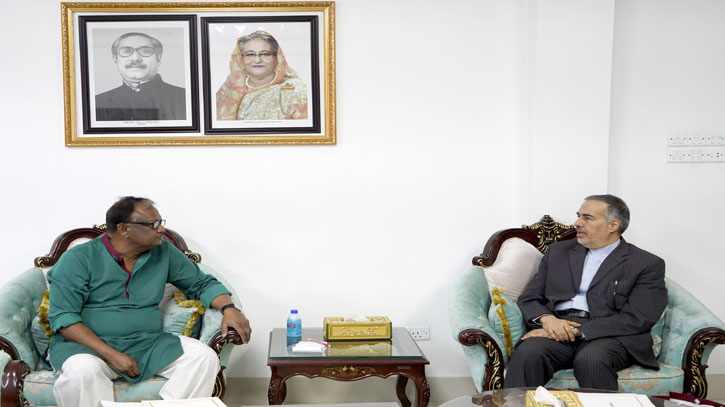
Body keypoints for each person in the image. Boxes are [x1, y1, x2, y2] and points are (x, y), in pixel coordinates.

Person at [47, 197, 252, 407]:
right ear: (124, 229)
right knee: (82, 372)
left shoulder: (164, 252)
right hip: (89, 349)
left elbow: (200, 283)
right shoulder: (78, 259)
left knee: (203, 358)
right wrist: (112, 355)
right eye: (153, 224)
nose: (161, 229)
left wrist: (229, 308)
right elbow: (64, 318)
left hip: (148, 343)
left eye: (161, 222)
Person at [504, 194, 667, 391]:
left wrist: (577, 331)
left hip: (609, 335)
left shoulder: (645, 263)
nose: (577, 223)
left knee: (591, 359)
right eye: (579, 216)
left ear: (613, 225)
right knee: (529, 352)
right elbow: (530, 297)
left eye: (587, 218)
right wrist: (548, 320)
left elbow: (638, 318)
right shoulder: (558, 252)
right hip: (557, 327)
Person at [216, 30, 308, 121]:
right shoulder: (229, 91)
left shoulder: (296, 91)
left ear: (277, 58)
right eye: (250, 54)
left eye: (265, 54)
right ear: (240, 59)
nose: (257, 60)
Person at [95, 32, 186, 121]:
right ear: (115, 60)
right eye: (126, 51)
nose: (135, 58)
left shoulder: (185, 98)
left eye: (145, 51)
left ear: (158, 59)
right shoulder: (98, 102)